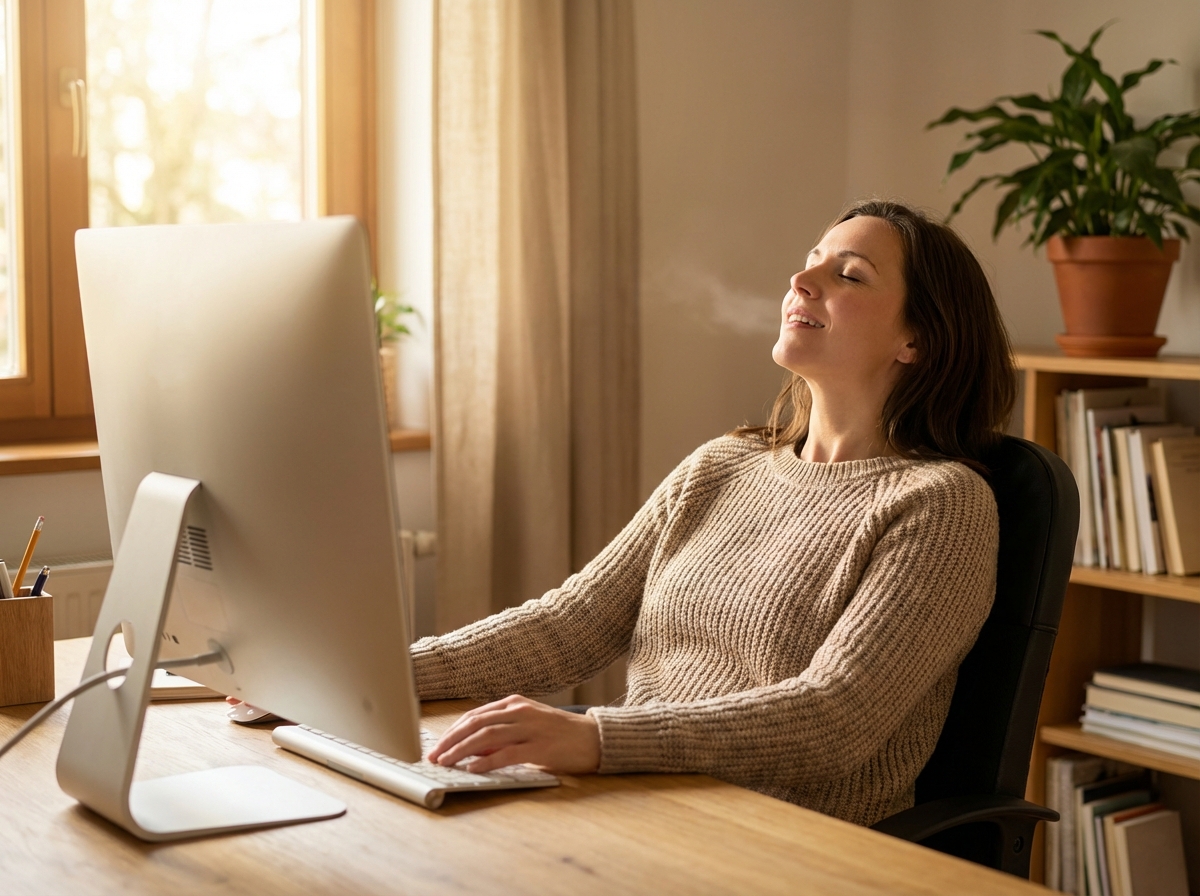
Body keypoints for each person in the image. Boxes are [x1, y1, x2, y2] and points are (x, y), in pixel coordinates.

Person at [416, 198, 1016, 827]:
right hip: (639, 802)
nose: (800, 282)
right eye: (810, 262)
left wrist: (598, 739)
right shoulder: (722, 465)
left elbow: (837, 717)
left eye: (849, 274)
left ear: (915, 339)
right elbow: (570, 626)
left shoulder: (941, 503)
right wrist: (387, 674)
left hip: (783, 841)